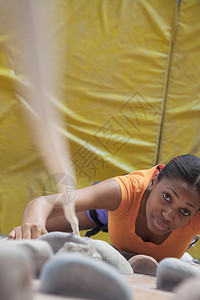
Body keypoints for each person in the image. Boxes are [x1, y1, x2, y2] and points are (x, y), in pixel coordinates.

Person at [8, 154, 200, 262]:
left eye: (184, 211)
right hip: (113, 212)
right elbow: (45, 203)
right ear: (154, 182)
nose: (168, 215)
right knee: (42, 230)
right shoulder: (124, 192)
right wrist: (32, 225)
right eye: (167, 197)